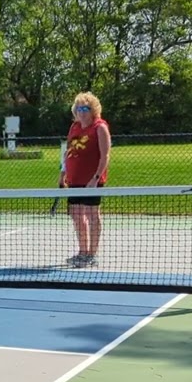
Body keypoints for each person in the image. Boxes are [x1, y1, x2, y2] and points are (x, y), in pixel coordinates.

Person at [59, 91, 111, 267]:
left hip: (92, 180)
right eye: (79, 108)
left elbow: (105, 156)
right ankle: (82, 252)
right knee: (76, 215)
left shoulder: (99, 127)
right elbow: (68, 152)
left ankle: (92, 254)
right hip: (74, 180)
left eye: (86, 108)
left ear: (93, 109)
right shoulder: (74, 127)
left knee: (92, 215)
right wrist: (63, 173)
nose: (82, 111)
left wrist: (95, 178)